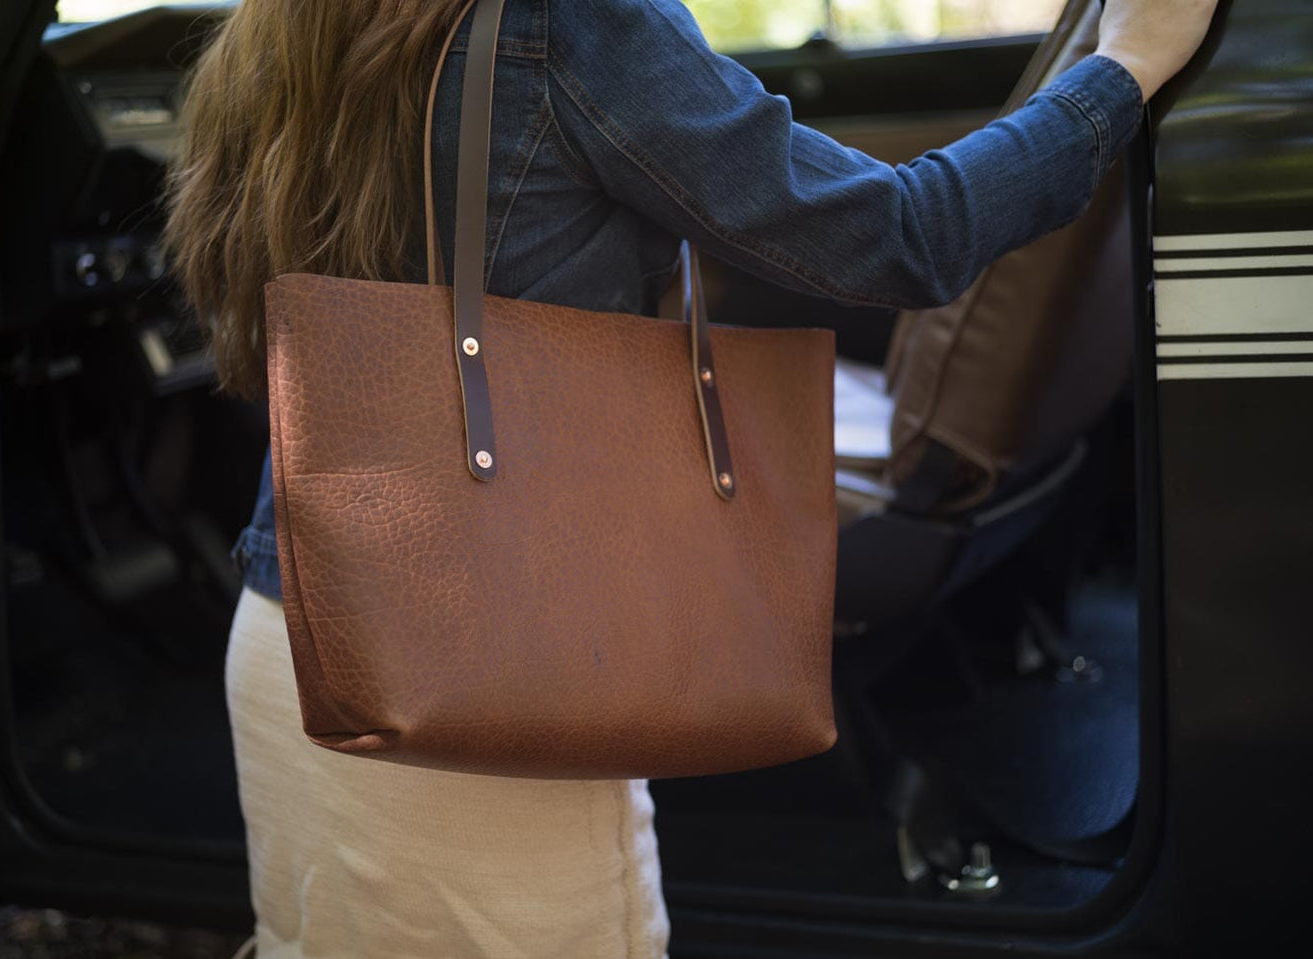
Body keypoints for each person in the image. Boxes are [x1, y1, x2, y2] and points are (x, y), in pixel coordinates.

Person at [163, 0, 1216, 955]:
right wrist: (1120, 66)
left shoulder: (283, 26)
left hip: (301, 631)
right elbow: (897, 239)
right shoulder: (568, 22)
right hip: (476, 682)